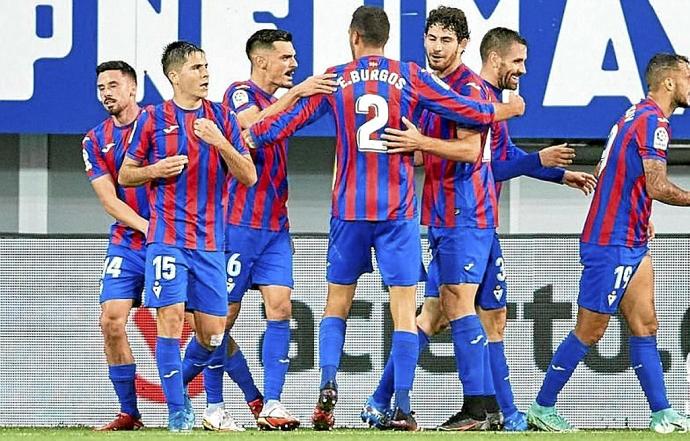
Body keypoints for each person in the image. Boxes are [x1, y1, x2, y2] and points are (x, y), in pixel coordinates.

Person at [245, 5, 525, 431]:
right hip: (397, 212)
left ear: (354, 37)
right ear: (387, 39)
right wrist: (503, 111)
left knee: (335, 304)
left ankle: (327, 384)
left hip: (348, 211)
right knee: (403, 310)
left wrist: (281, 106)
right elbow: (464, 110)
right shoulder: (409, 75)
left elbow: (271, 131)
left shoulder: (334, 77)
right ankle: (403, 406)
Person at [363, 23, 596, 431]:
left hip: (474, 218)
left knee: (479, 316)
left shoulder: (476, 95)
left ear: (464, 45)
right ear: (495, 58)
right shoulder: (468, 94)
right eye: (518, 61)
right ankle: (480, 409)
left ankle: (494, 412)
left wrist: (555, 173)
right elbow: (483, 157)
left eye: (446, 40)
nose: (522, 70)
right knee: (445, 311)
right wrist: (540, 162)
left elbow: (494, 156)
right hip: (459, 215)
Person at [526, 53, 690, 433]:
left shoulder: (635, 115)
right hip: (611, 241)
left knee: (646, 324)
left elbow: (615, 171)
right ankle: (541, 406)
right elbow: (656, 185)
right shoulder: (654, 123)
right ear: (669, 82)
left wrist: (641, 214)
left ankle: (662, 413)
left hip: (629, 235)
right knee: (591, 329)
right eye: (687, 76)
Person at [192, 29, 337, 431]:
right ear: (262, 61)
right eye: (286, 57)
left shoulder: (281, 102)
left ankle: (272, 403)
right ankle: (214, 406)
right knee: (221, 322)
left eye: (294, 57)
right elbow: (250, 128)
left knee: (281, 308)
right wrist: (298, 92)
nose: (293, 64)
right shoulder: (240, 92)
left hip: (275, 226)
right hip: (237, 224)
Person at [119, 41, 257, 432]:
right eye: (197, 67)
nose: (205, 74)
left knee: (213, 333)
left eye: (207, 66)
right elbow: (126, 175)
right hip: (167, 238)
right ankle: (179, 413)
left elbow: (249, 176)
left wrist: (220, 142)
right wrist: (156, 169)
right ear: (174, 76)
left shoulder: (223, 118)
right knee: (171, 318)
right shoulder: (152, 119)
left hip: (211, 243)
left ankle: (175, 385)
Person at [82, 60, 148, 431]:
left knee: (201, 326)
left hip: (171, 241)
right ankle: (129, 413)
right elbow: (109, 199)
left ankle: (240, 401)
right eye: (101, 88)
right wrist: (146, 227)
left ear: (133, 89)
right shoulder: (94, 140)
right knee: (110, 322)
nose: (106, 93)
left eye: (113, 85)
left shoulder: (158, 125)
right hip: (129, 241)